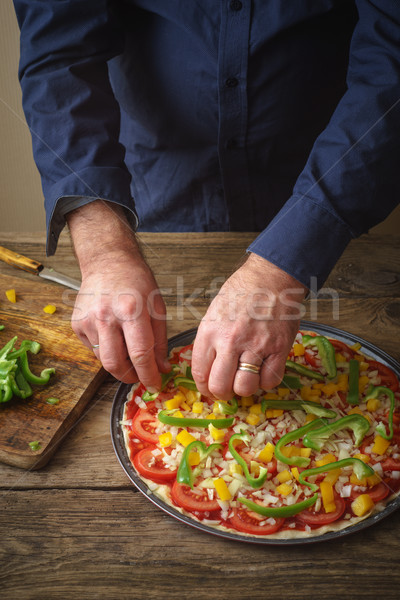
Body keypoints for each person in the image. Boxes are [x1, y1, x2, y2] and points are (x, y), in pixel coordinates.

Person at [13, 1, 400, 401]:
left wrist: (281, 268)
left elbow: (393, 64)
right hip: (158, 181)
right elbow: (58, 55)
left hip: (332, 176)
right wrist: (105, 253)